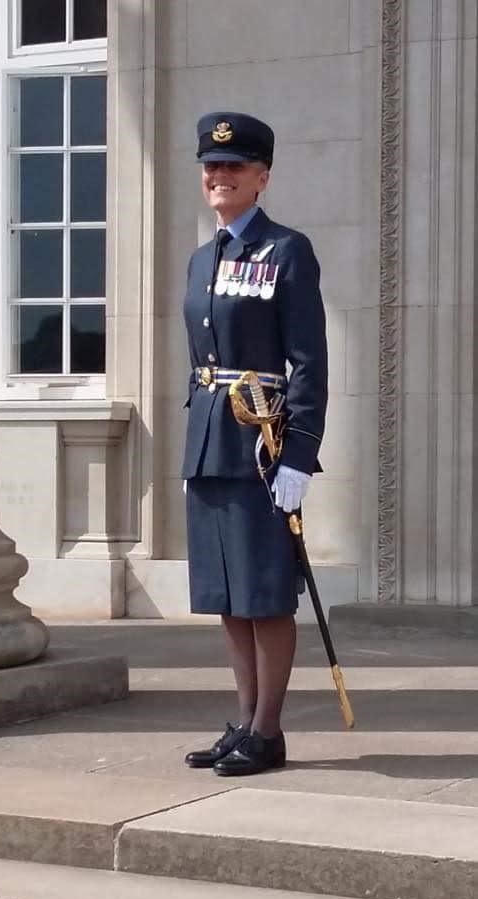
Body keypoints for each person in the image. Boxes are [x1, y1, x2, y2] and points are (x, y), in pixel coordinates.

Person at [182, 111, 328, 776]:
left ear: (262, 177)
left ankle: (268, 730)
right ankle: (243, 721)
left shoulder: (284, 251)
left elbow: (309, 362)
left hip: (263, 444)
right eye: (212, 166)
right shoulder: (200, 257)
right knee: (226, 594)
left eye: (235, 166)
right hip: (210, 440)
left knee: (265, 593)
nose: (220, 175)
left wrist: (298, 456)